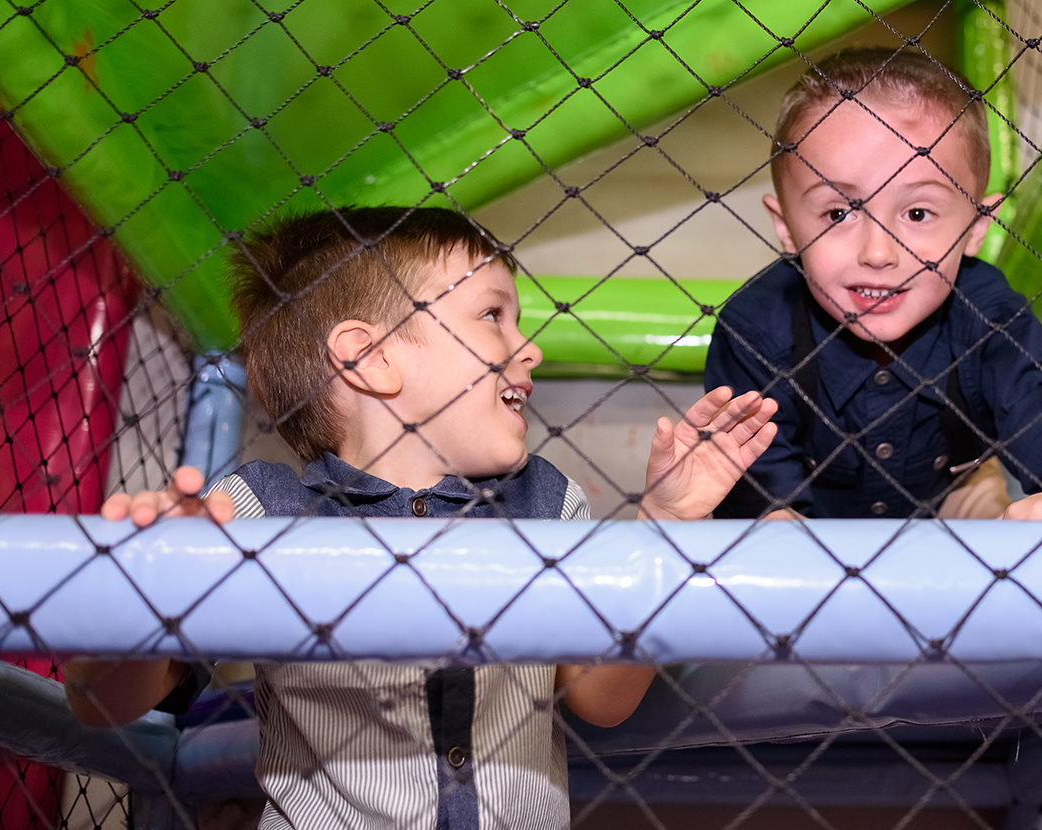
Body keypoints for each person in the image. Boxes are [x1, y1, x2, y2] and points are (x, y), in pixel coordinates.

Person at [65, 206, 778, 829]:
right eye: (493, 316)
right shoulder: (255, 514)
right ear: (369, 357)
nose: (528, 348)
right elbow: (103, 703)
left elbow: (601, 700)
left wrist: (665, 525)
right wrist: (148, 591)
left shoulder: (545, 507)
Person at [705, 46, 1042, 521]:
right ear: (785, 225)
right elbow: (763, 519)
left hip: (948, 497)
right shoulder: (755, 329)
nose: (877, 252)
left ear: (976, 227)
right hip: (810, 527)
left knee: (988, 505)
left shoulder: (988, 317)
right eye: (838, 212)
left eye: (917, 213)